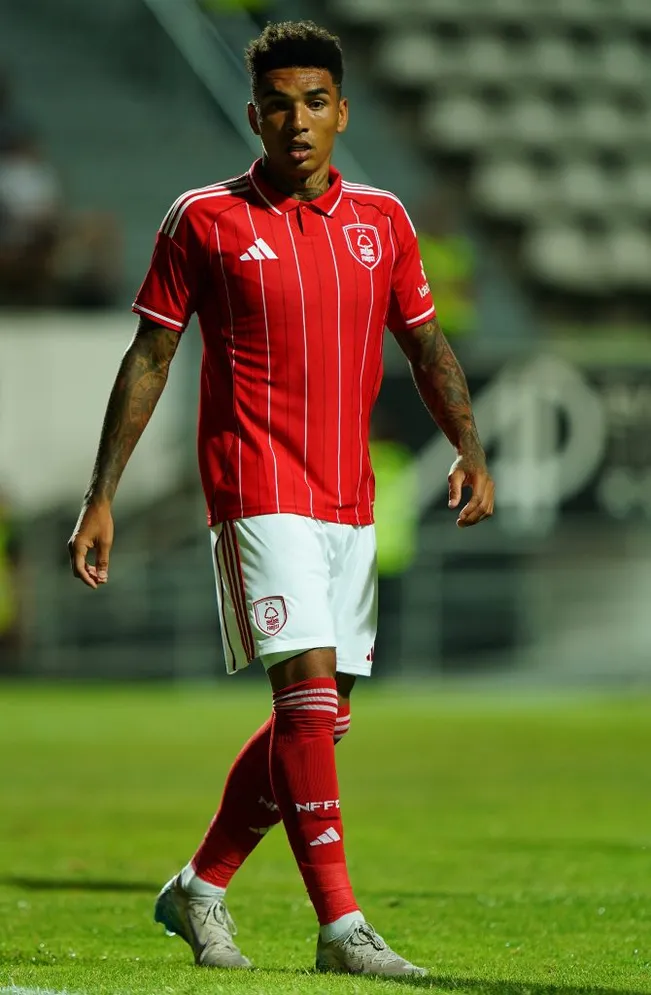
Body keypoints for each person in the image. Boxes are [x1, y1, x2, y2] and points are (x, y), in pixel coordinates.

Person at [68, 20, 494, 976]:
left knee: (322, 718)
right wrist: (103, 494)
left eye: (314, 102)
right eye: (277, 105)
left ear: (342, 111)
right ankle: (342, 927)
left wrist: (468, 443)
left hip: (347, 495)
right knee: (304, 702)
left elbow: (426, 346)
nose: (296, 122)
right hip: (254, 484)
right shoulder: (204, 220)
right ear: (252, 114)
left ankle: (201, 885)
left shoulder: (382, 219)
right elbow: (151, 355)